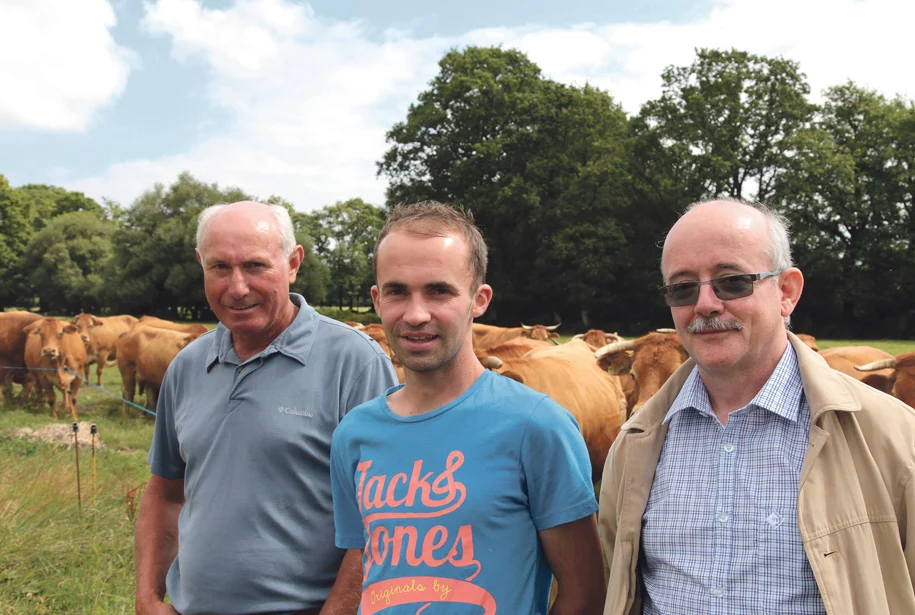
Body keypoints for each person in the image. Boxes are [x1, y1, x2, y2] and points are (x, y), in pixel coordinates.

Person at [599, 198, 915, 615]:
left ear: (787, 292)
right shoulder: (636, 444)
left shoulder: (899, 441)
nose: (705, 304)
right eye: (683, 287)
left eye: (732, 281)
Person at [329, 201, 606, 614]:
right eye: (397, 291)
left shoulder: (537, 426)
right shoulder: (354, 433)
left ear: (479, 299)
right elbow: (366, 569)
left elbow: (584, 594)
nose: (416, 314)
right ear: (376, 299)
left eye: (439, 291)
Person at [134, 201, 398, 615]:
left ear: (293, 263)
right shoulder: (187, 365)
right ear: (200, 264)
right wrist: (148, 598)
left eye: (255, 266)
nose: (237, 287)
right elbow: (166, 492)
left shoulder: (355, 362)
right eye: (219, 267)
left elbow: (384, 517)